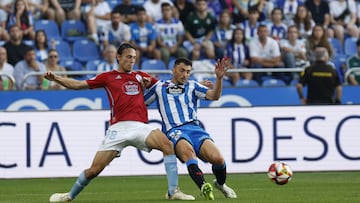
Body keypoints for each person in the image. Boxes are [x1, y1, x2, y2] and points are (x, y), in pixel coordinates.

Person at [45, 43, 195, 202]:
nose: (132, 61)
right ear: (118, 57)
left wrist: (193, 86)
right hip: (118, 128)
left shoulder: (140, 76)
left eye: (134, 58)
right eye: (128, 57)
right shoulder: (107, 77)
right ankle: (69, 195)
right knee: (94, 170)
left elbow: (166, 87)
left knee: (167, 145)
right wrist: (56, 78)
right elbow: (79, 85)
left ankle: (173, 191)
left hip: (140, 126)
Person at [144, 57, 237, 200]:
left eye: (188, 72)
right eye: (182, 70)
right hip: (174, 131)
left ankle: (220, 184)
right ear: (173, 70)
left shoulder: (193, 86)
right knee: (189, 153)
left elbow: (215, 96)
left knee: (218, 159)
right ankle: (203, 186)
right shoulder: (159, 87)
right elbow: (141, 104)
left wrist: (219, 78)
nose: (185, 74)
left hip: (195, 129)